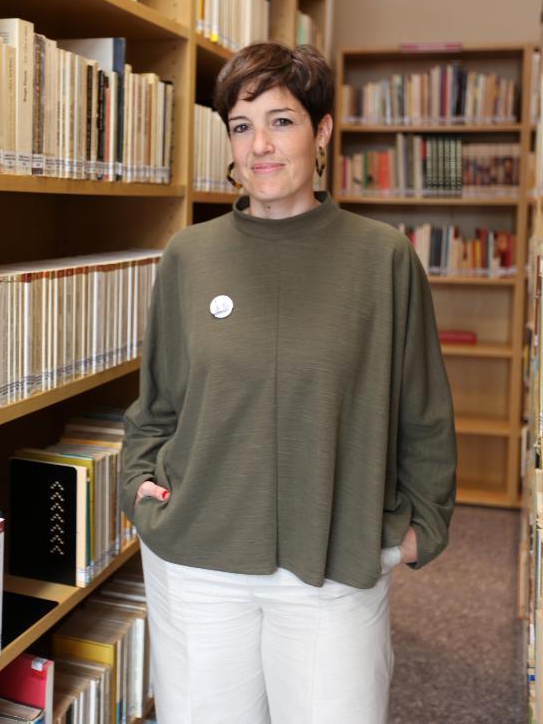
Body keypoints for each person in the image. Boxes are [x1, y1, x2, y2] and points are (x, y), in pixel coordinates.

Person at [121, 41, 456, 724]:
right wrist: (138, 488)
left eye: (281, 121)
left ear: (323, 131)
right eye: (242, 127)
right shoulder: (191, 255)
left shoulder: (382, 258)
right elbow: (156, 405)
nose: (260, 146)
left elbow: (422, 410)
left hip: (331, 560)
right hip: (197, 561)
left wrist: (423, 527)